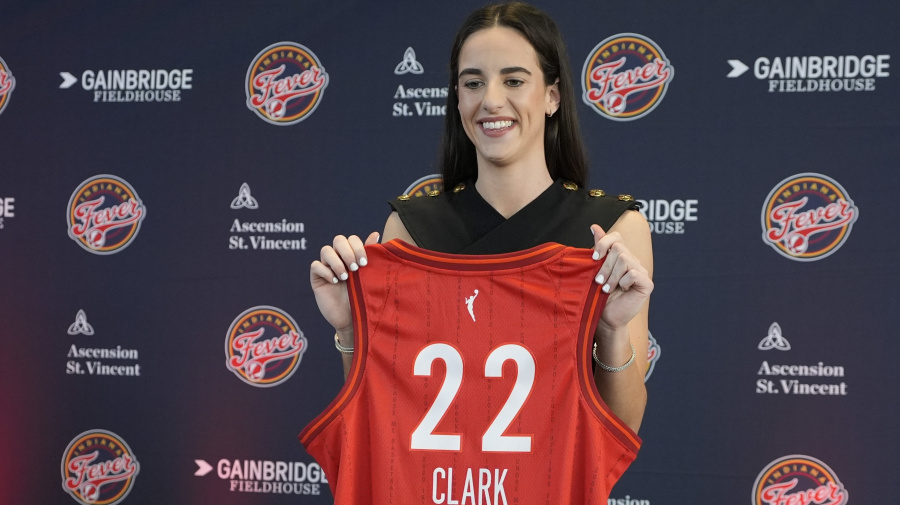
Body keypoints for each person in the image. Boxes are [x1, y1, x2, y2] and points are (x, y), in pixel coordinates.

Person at [310, 0, 652, 441]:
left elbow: (623, 429)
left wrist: (611, 327)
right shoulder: (411, 229)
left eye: (513, 80)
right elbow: (383, 418)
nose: (491, 100)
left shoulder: (615, 230)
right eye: (473, 83)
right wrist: (350, 329)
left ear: (552, 95)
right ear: (457, 97)